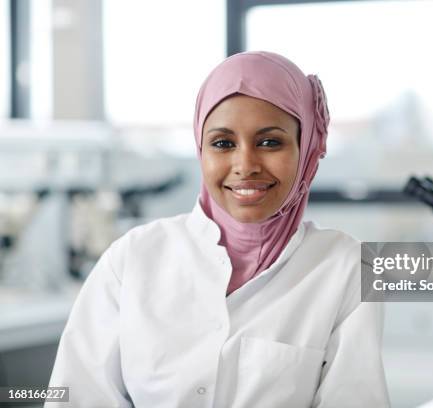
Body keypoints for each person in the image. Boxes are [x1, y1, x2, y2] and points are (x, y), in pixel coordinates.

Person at [46, 51, 390, 408]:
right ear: (200, 148)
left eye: (270, 142)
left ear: (306, 149)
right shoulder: (132, 258)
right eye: (223, 143)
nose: (245, 165)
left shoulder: (346, 265)